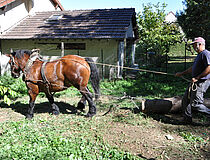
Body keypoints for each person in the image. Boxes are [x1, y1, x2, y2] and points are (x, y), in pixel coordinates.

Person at [175, 37, 210, 124]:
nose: (194, 47)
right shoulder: (199, 55)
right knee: (185, 100)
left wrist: (198, 77)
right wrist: (182, 73)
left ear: (200, 44)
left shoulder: (206, 54)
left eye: (195, 45)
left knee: (195, 104)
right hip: (195, 81)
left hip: (202, 82)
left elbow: (209, 67)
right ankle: (187, 119)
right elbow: (192, 68)